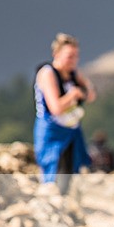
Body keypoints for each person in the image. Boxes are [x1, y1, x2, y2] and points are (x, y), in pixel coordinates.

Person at [33, 33, 96, 195]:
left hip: (72, 131)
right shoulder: (48, 74)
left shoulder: (74, 74)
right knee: (54, 172)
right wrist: (73, 95)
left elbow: (91, 95)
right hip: (52, 132)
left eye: (76, 56)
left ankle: (66, 203)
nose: (74, 60)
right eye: (69, 56)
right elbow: (55, 107)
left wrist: (84, 90)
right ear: (57, 54)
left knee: (70, 173)